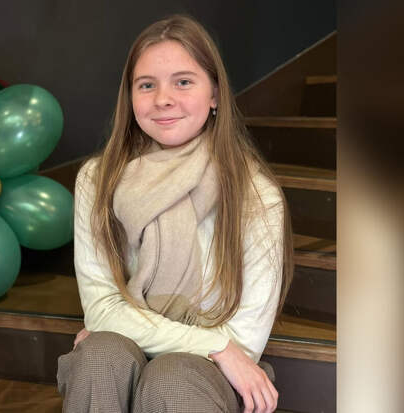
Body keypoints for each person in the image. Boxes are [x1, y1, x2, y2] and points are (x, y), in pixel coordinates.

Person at [57, 14, 293, 413]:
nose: (163, 99)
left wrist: (122, 328)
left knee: (170, 378)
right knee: (100, 356)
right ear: (130, 97)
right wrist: (217, 346)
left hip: (199, 379)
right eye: (147, 85)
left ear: (215, 94)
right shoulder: (97, 180)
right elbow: (102, 309)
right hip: (156, 353)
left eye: (183, 82)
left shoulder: (257, 197)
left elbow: (244, 339)